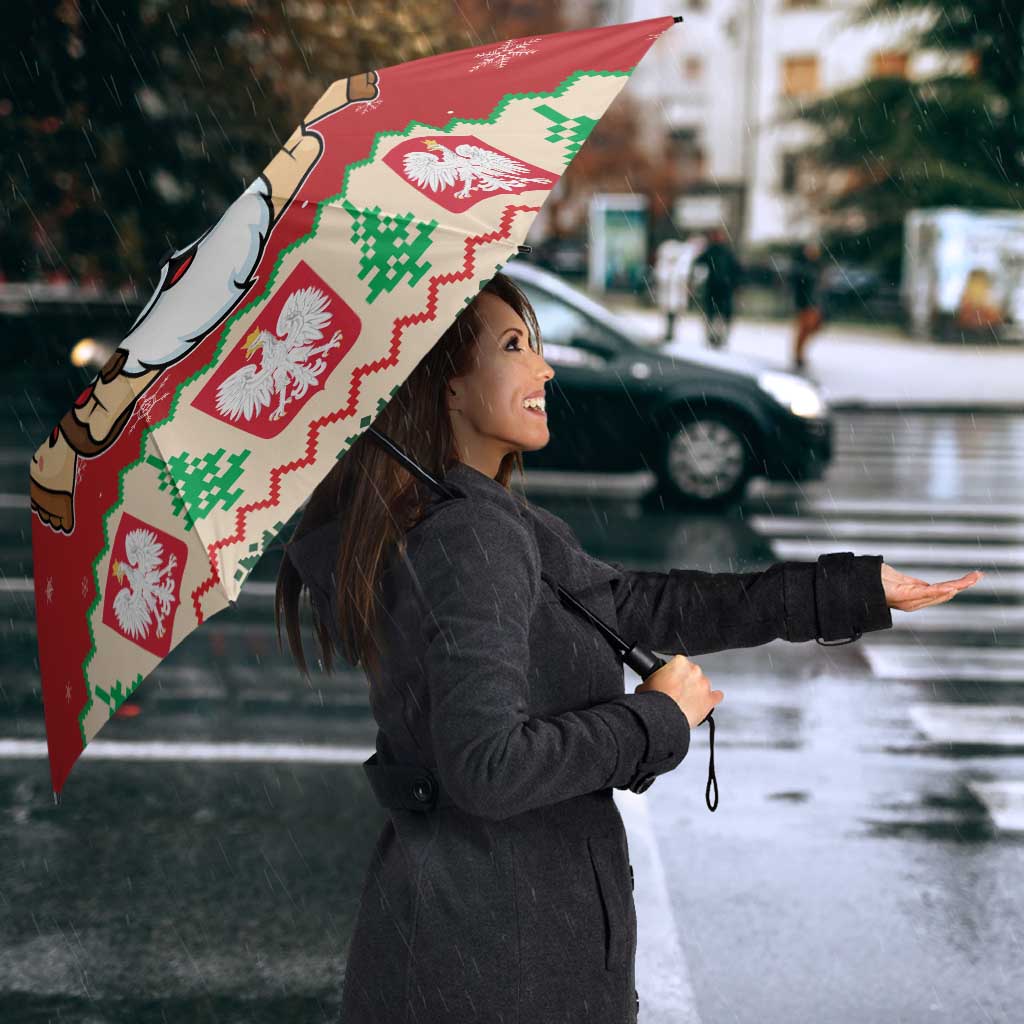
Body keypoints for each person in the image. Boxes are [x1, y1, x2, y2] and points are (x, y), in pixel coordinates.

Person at [275, 271, 981, 1024]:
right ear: (445, 386)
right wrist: (655, 719)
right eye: (514, 346)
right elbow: (487, 768)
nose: (544, 368)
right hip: (497, 962)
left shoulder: (479, 519)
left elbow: (642, 605)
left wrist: (850, 591)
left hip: (481, 941)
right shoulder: (469, 536)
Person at [692, 226, 742, 349]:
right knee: (713, 314)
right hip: (715, 288)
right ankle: (713, 337)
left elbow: (736, 270)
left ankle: (719, 337)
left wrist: (735, 284)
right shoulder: (712, 251)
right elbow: (698, 264)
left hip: (723, 288)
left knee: (720, 315)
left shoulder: (725, 252)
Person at [790, 239, 826, 371]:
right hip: (805, 303)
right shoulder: (802, 267)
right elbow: (799, 286)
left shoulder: (817, 266)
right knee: (804, 329)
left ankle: (800, 354)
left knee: (812, 328)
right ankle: (798, 355)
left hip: (814, 303)